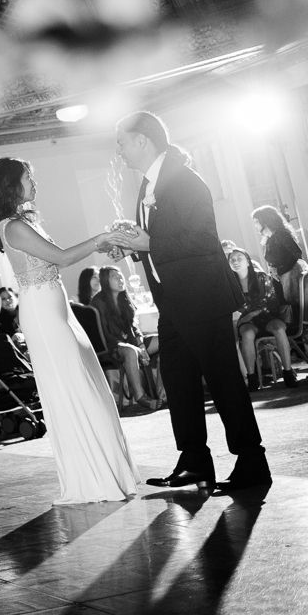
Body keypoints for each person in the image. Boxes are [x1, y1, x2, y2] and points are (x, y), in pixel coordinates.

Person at [109, 111, 269, 494]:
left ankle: (252, 460)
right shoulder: (151, 184)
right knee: (178, 382)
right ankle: (194, 460)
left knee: (223, 379)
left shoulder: (185, 180)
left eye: (123, 142)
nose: (120, 152)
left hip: (201, 296)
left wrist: (149, 243)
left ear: (143, 140)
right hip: (173, 300)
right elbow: (160, 237)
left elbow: (202, 239)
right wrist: (132, 246)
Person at [0, 157, 138, 504]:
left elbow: (58, 258)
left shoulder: (24, 220)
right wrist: (101, 239)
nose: (34, 184)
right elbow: (63, 258)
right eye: (28, 178)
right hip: (43, 314)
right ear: (11, 185)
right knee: (73, 392)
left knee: (92, 389)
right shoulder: (13, 225)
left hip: (58, 309)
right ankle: (92, 480)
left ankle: (110, 473)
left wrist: (104, 244)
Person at [252, 205, 308, 371]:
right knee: (302, 324)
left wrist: (279, 270)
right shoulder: (270, 237)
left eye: (256, 221)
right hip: (286, 279)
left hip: (294, 278)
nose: (255, 225)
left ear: (265, 220)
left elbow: (296, 253)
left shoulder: (281, 234)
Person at [225, 242, 292, 390]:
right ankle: (252, 376)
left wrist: (247, 313)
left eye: (239, 258)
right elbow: (231, 305)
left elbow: (268, 300)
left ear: (248, 261)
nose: (235, 262)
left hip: (267, 315)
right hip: (247, 322)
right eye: (232, 260)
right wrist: (246, 316)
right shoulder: (229, 283)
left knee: (279, 328)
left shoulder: (261, 277)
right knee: (247, 333)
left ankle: (288, 371)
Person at [94, 265, 163, 407]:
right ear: (106, 281)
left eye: (120, 276)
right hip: (112, 348)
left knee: (165, 340)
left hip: (131, 342)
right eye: (114, 276)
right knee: (131, 351)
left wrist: (141, 345)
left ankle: (164, 393)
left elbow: (134, 327)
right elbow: (104, 335)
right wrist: (135, 349)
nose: (120, 279)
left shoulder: (124, 299)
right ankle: (140, 396)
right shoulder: (99, 302)